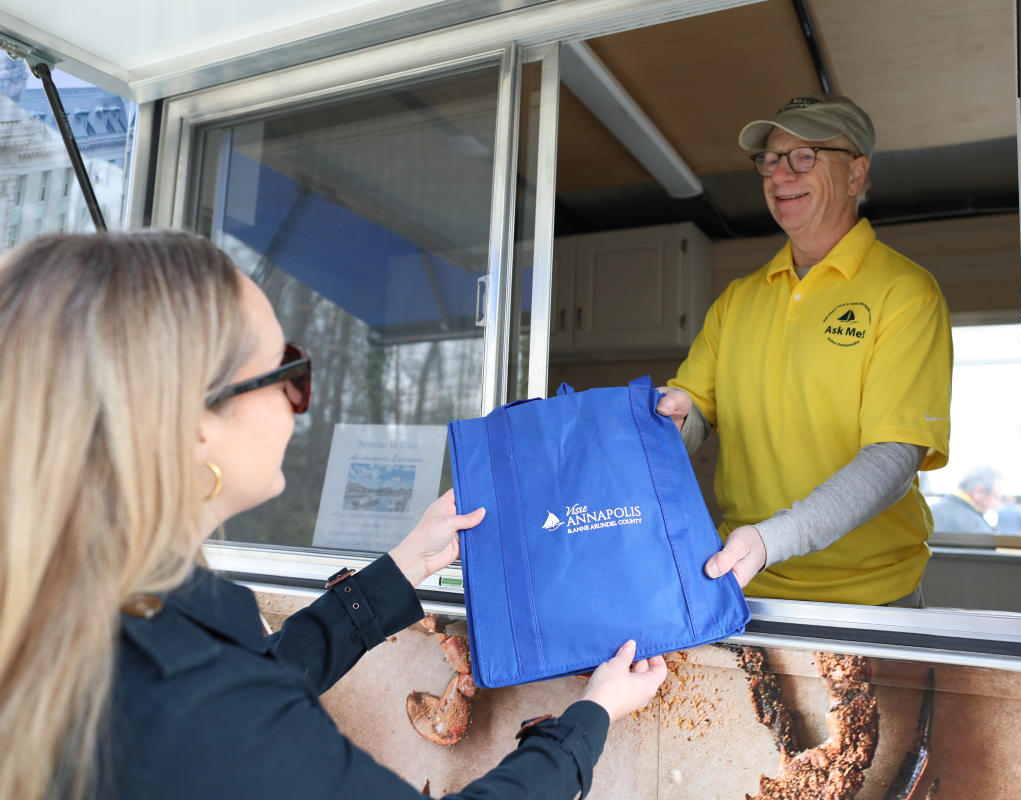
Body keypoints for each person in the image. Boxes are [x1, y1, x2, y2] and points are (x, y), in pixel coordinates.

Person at [0, 231, 667, 800]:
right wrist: (592, 716)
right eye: (287, 371)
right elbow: (234, 710)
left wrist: (406, 568)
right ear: (195, 420)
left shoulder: (93, 618)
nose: (299, 401)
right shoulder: (191, 703)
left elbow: (260, 677)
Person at [656, 94, 952, 606]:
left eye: (804, 157)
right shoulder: (738, 299)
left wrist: (773, 539)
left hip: (871, 596)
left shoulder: (905, 293)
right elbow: (697, 412)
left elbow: (894, 458)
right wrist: (675, 421)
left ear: (856, 174)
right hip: (746, 583)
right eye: (770, 159)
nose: (780, 175)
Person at [930, 466, 1002, 535]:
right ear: (978, 491)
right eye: (996, 497)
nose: (997, 504)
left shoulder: (927, 512)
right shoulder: (979, 530)